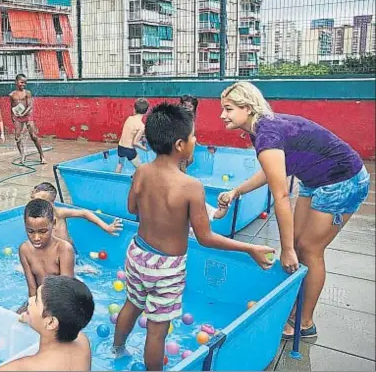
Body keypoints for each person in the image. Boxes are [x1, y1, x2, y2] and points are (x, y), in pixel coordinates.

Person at [112, 103, 275, 371]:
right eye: (192, 137)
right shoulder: (191, 186)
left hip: (137, 253)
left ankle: (117, 350)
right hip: (166, 268)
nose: (195, 141)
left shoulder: (141, 171)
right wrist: (249, 248)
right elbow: (205, 237)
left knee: (131, 305)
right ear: (179, 145)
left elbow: (132, 209)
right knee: (157, 331)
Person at [216, 81, 370, 341]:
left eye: (228, 109)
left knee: (308, 249)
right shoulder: (260, 129)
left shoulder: (267, 134)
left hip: (342, 181)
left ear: (247, 107)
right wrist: (237, 191)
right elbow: (272, 171)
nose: (222, 115)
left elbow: (281, 195)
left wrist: (285, 249)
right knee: (298, 244)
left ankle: (304, 323)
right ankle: (297, 304)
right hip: (315, 180)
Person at [18, 199, 75, 314]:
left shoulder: (63, 249)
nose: (36, 237)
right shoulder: (24, 250)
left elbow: (65, 289)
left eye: (43, 231)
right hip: (39, 301)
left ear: (53, 224)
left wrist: (45, 313)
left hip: (62, 301)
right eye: (30, 231)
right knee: (15, 319)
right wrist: (33, 309)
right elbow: (32, 289)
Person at [31, 183, 123, 244]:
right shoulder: (34, 217)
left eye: (40, 202)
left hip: (69, 251)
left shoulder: (59, 213)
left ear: (51, 203)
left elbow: (84, 213)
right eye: (33, 201)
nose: (35, 205)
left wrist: (106, 227)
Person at [9, 74, 45, 164]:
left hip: (28, 116)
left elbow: (30, 106)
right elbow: (12, 107)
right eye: (21, 82)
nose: (23, 84)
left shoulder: (27, 93)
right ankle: (22, 155)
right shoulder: (12, 95)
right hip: (18, 118)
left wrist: (23, 113)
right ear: (16, 82)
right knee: (17, 137)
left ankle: (42, 155)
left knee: (34, 136)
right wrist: (13, 118)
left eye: (25, 83)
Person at [115, 98, 149, 173]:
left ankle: (114, 178)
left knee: (120, 164)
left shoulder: (129, 118)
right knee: (140, 169)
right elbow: (135, 143)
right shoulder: (141, 126)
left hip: (120, 147)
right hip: (129, 149)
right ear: (146, 112)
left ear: (134, 109)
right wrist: (144, 148)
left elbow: (129, 133)